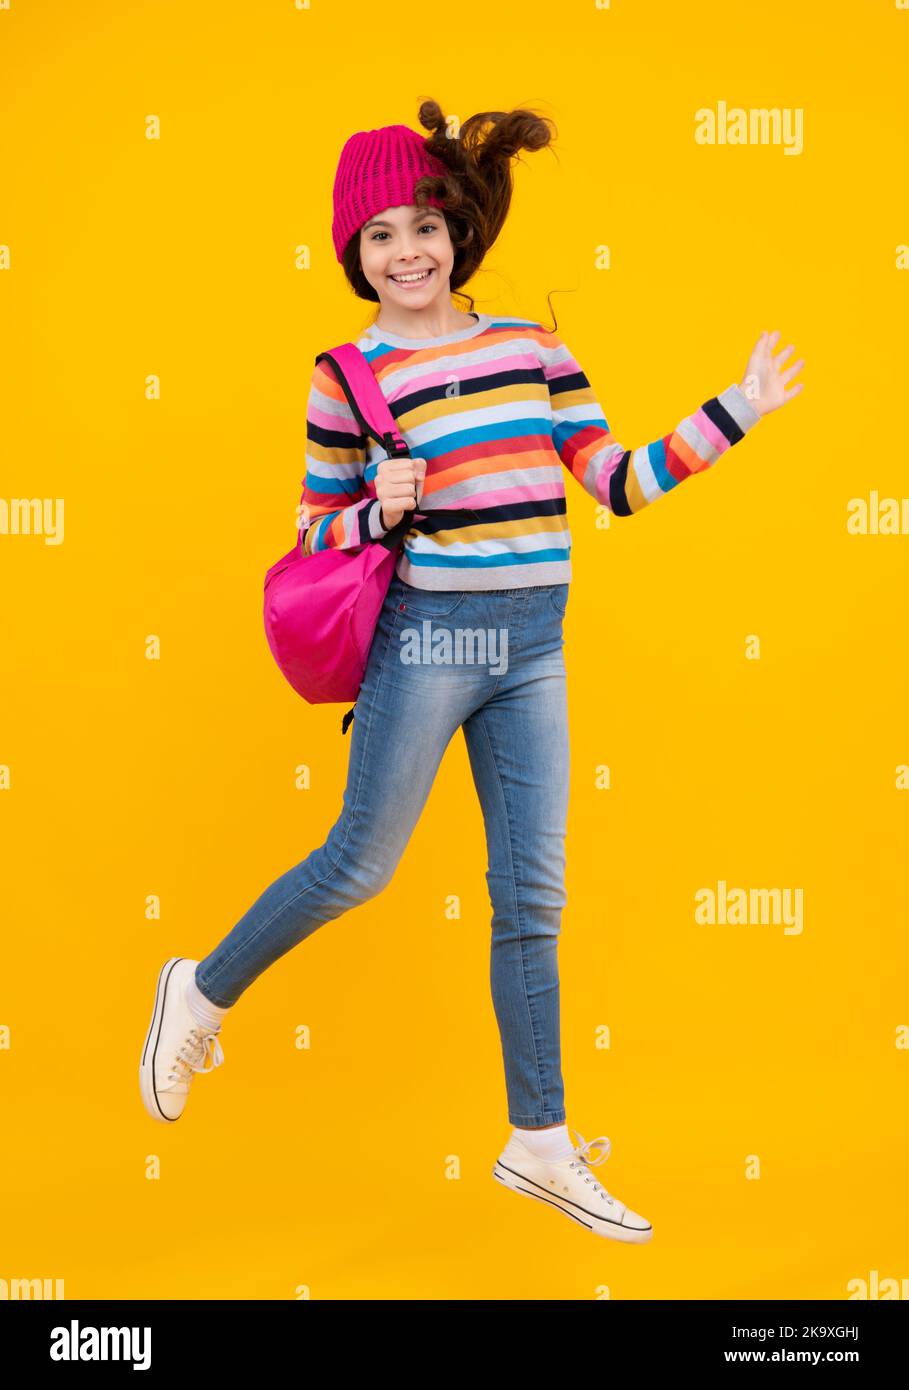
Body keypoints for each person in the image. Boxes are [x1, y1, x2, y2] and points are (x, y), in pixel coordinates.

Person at [139, 101, 804, 1243]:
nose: (408, 251)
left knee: (533, 897)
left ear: (459, 231)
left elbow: (619, 483)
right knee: (361, 863)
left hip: (535, 644)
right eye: (381, 235)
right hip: (429, 639)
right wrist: (370, 508)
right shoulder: (345, 377)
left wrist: (735, 410)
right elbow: (310, 537)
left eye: (425, 225)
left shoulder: (531, 350)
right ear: (354, 254)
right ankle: (198, 992)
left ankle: (539, 1142)